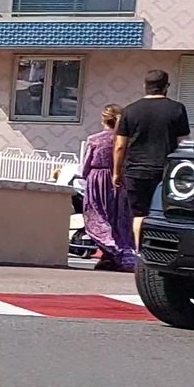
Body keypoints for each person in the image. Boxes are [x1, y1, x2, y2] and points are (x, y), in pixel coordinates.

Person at [113, 70, 189, 242]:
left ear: (144, 86)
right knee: (163, 213)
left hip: (135, 171)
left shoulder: (129, 110)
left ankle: (140, 253)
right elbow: (183, 144)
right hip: (166, 171)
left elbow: (119, 146)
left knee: (139, 215)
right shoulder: (177, 109)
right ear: (166, 87)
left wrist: (116, 173)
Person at [77, 104, 135, 270]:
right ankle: (118, 254)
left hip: (98, 179)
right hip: (119, 179)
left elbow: (85, 167)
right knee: (119, 218)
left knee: (98, 216)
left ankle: (111, 250)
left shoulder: (94, 140)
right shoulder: (124, 141)